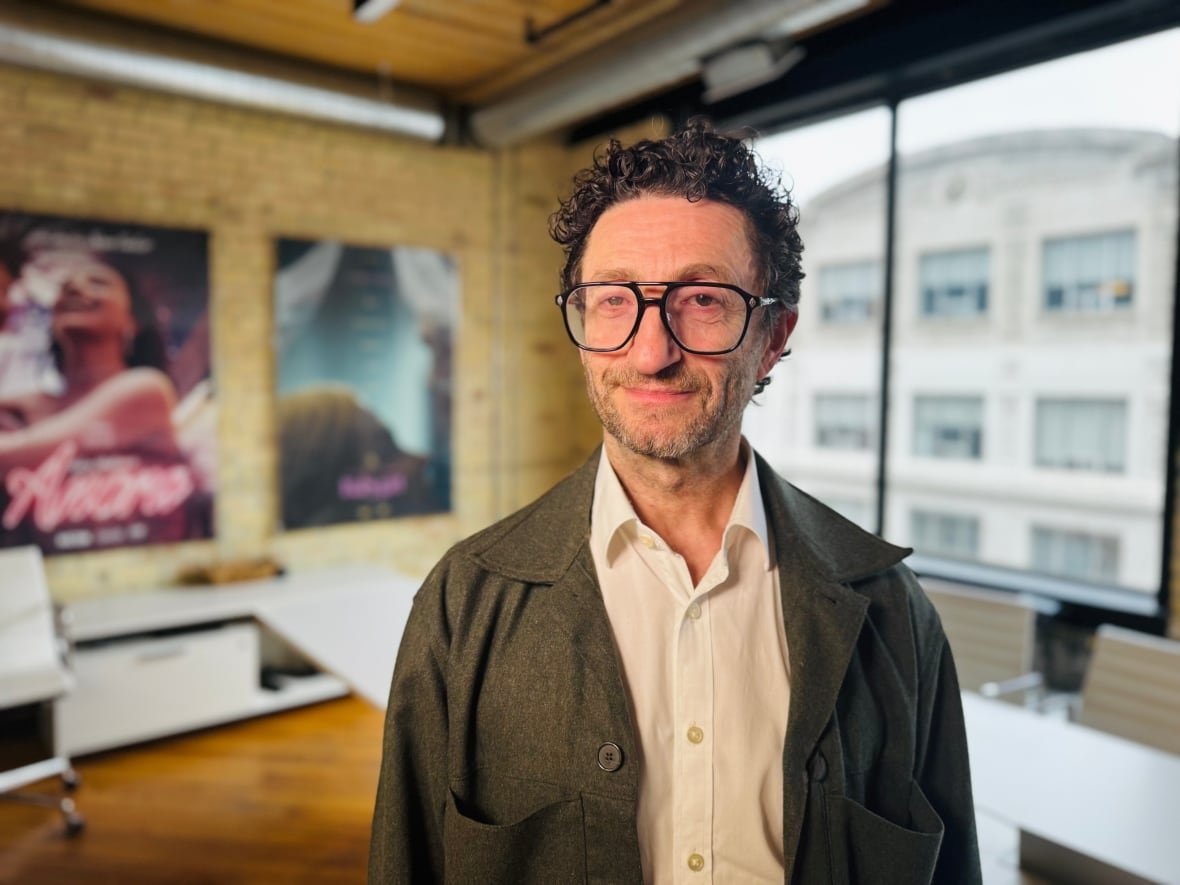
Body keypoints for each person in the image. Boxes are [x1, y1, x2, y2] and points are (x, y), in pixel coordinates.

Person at [369, 120, 981, 884]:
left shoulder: (893, 616)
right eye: (614, 299)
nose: (652, 350)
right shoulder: (464, 605)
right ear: (584, 321)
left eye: (702, 299)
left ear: (774, 334)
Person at [0, 251, 207, 548]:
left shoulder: (145, 388)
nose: (76, 289)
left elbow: (15, 455)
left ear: (131, 320)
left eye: (98, 283)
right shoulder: (29, 405)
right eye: (66, 286)